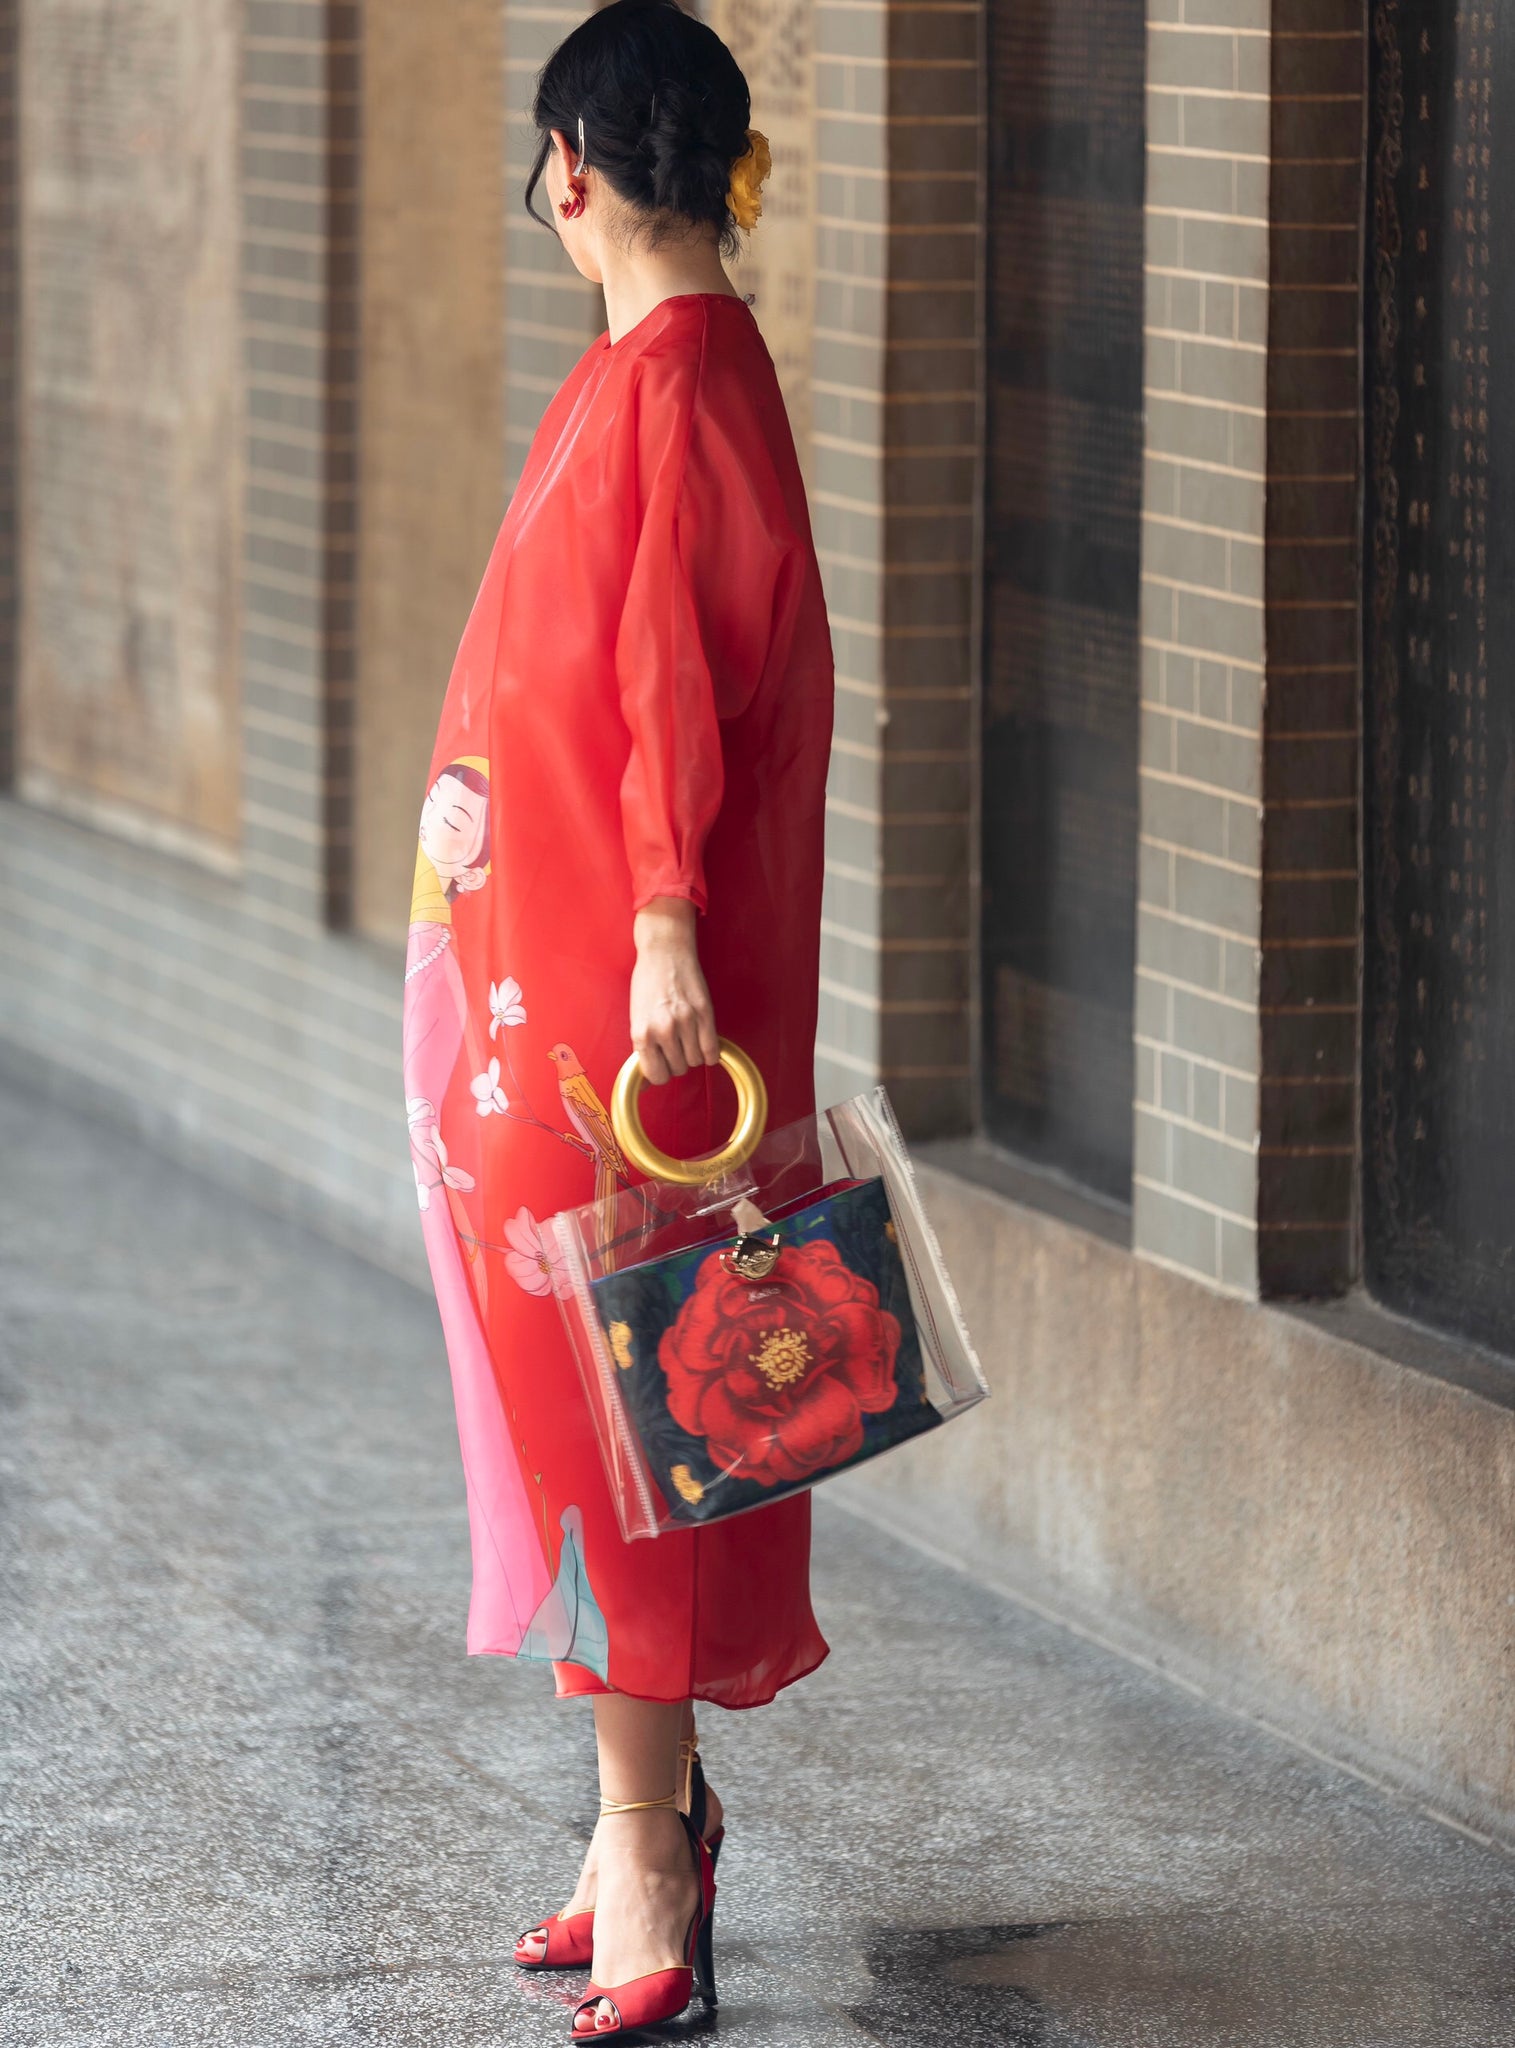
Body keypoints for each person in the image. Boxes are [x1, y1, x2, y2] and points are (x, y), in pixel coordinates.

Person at [398, 1, 836, 2036]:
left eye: (540, 166)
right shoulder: (653, 369)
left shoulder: (675, 379)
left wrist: (662, 924)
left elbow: (668, 674)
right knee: (595, 1393)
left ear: (571, 167)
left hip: (613, 1003)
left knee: (626, 1395)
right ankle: (635, 1816)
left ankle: (652, 1842)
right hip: (556, 979)